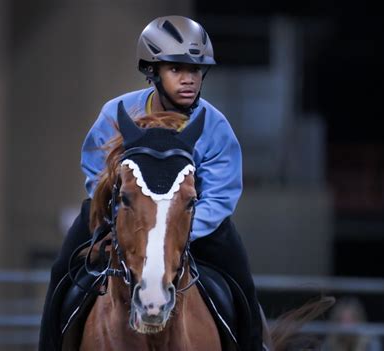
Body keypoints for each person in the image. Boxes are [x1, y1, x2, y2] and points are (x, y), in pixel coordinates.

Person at [39, 15, 263, 351]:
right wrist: (121, 218)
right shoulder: (116, 113)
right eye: (177, 70)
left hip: (192, 220)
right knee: (62, 271)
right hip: (122, 215)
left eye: (196, 70)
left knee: (242, 282)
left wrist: (175, 229)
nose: (189, 80)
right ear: (153, 71)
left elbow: (221, 193)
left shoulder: (216, 127)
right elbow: (95, 170)